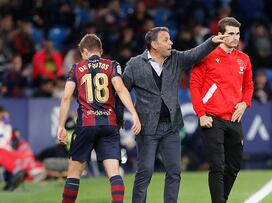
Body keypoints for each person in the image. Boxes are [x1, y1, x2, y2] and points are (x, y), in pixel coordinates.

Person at [121, 26, 227, 203]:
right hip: (147, 128)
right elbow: (121, 91)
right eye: (166, 39)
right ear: (154, 44)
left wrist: (211, 42)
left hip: (171, 127)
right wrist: (118, 117)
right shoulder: (134, 64)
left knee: (174, 172)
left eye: (170, 39)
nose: (171, 42)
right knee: (145, 172)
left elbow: (194, 54)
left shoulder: (176, 58)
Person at [57, 34, 141, 203]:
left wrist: (61, 125)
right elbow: (120, 89)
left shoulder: (76, 68)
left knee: (74, 174)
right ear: (100, 51)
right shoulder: (112, 65)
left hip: (85, 125)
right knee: (114, 173)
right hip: (109, 124)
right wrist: (134, 113)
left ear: (85, 51)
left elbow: (66, 98)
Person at [189, 17, 254, 203]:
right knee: (217, 166)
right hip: (212, 118)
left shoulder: (244, 59)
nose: (235, 38)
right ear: (220, 35)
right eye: (231, 34)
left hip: (234, 119)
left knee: (234, 166)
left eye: (237, 34)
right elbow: (194, 86)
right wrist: (201, 114)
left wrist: (244, 103)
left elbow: (249, 86)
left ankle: (221, 200)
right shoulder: (206, 56)